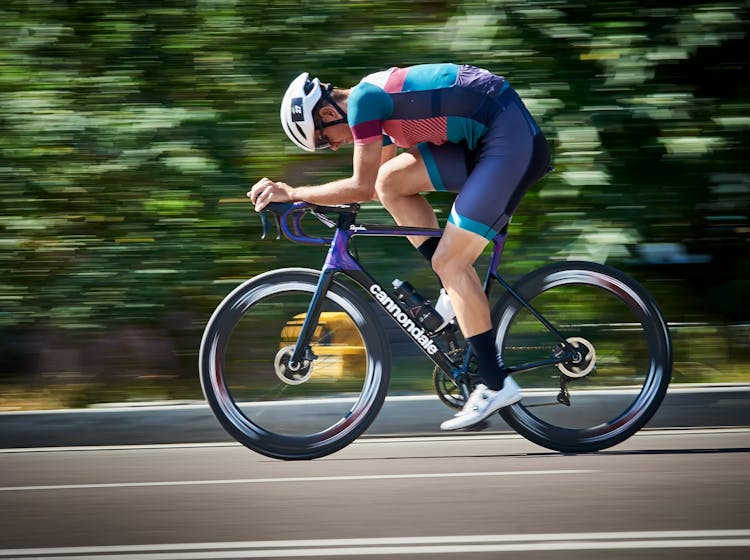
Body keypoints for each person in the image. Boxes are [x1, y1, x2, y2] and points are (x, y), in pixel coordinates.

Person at [248, 63, 551, 430]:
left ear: (328, 112)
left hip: (509, 139)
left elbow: (360, 186)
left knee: (451, 262)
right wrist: (316, 200)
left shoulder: (364, 101)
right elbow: (377, 183)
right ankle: (451, 290)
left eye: (326, 139)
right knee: (392, 183)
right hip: (484, 138)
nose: (335, 146)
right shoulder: (371, 103)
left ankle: (495, 383)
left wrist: (295, 192)